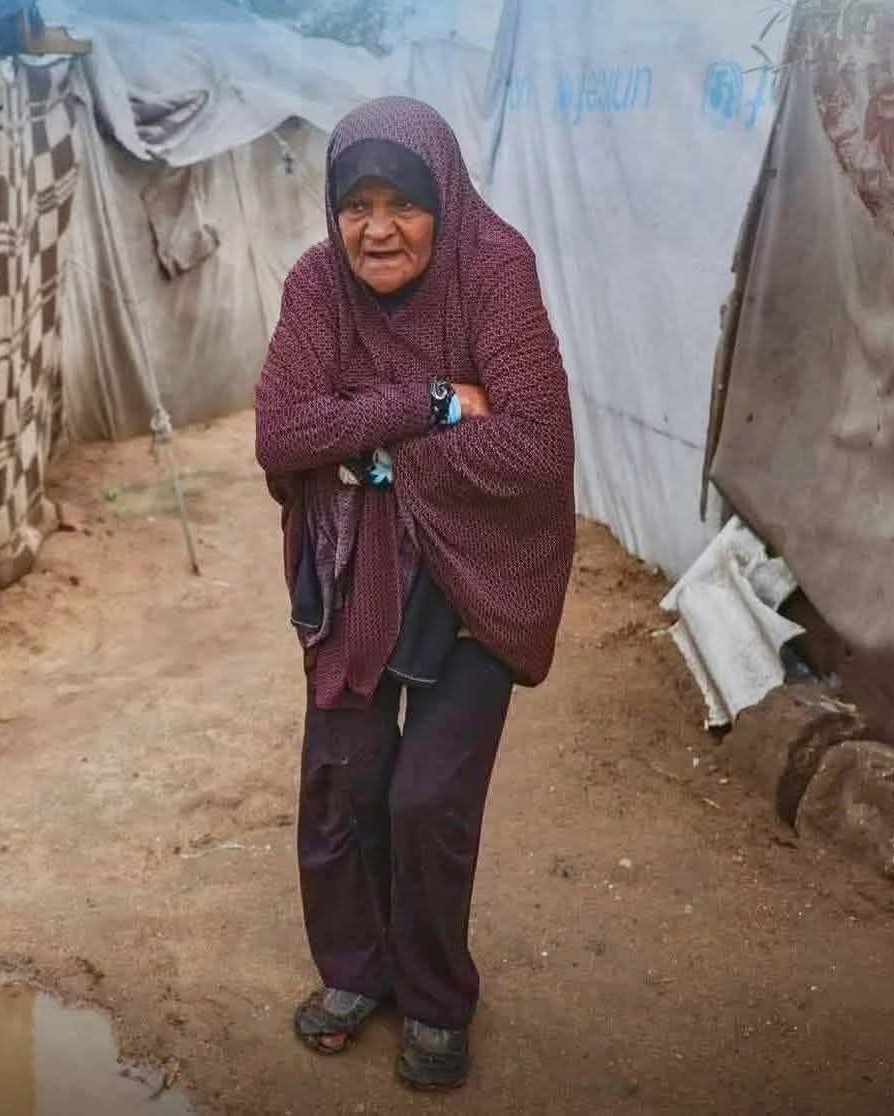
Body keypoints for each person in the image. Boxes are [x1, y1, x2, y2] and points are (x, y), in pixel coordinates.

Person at [254, 96, 575, 1091]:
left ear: (446, 200)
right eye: (357, 205)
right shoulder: (317, 284)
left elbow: (536, 446)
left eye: (403, 203)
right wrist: (431, 404)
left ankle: (435, 998)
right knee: (345, 776)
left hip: (478, 576)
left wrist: (365, 448)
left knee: (429, 795)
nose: (378, 230)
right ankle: (358, 971)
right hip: (357, 572)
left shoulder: (495, 269)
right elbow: (280, 435)